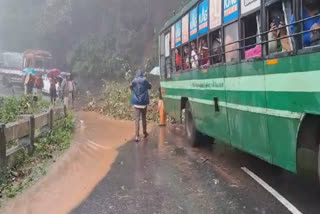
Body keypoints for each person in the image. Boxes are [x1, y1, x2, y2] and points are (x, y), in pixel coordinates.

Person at [130, 70, 152, 142]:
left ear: (136, 74)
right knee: (143, 118)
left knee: (137, 120)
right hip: (143, 103)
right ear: (142, 74)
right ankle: (145, 133)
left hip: (136, 103)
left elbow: (130, 87)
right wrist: (149, 84)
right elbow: (149, 87)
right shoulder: (145, 80)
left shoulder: (134, 81)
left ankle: (137, 136)